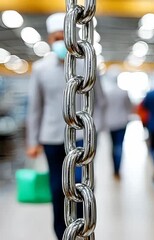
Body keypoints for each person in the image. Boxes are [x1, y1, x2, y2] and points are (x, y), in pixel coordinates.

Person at [26, 13, 106, 239]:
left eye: (64, 36)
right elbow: (35, 108)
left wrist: (95, 129)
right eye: (56, 38)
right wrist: (32, 141)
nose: (60, 42)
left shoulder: (88, 64)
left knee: (82, 185)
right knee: (57, 188)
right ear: (50, 40)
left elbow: (100, 102)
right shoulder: (41, 69)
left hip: (82, 139)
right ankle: (61, 233)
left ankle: (82, 228)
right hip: (51, 138)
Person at [102, 65, 133, 179]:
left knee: (112, 146)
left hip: (110, 123)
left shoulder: (106, 92)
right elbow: (129, 107)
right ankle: (117, 169)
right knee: (119, 146)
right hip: (122, 122)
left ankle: (114, 168)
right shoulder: (123, 92)